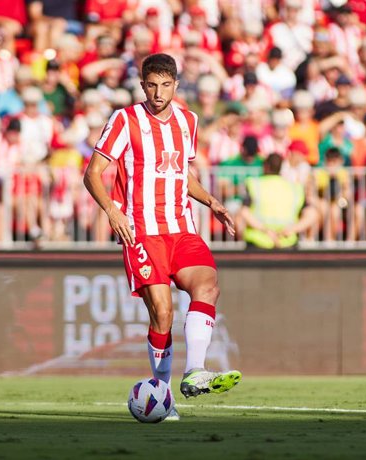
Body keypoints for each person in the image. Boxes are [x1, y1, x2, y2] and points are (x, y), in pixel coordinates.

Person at [83, 53, 242, 421]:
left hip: (181, 228)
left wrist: (211, 200)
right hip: (142, 231)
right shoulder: (125, 120)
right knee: (163, 312)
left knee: (207, 285)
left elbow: (180, 174)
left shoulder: (188, 120)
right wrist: (112, 209)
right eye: (151, 85)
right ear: (142, 85)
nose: (158, 93)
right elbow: (93, 173)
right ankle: (163, 394)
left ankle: (195, 372)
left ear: (175, 85)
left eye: (165, 85)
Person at [240, 152, 319, 249]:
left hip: (259, 241)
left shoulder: (253, 184)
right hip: (287, 241)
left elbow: (244, 212)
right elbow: (312, 214)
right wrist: (292, 229)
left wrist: (265, 230)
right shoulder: (294, 188)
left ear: (266, 166)